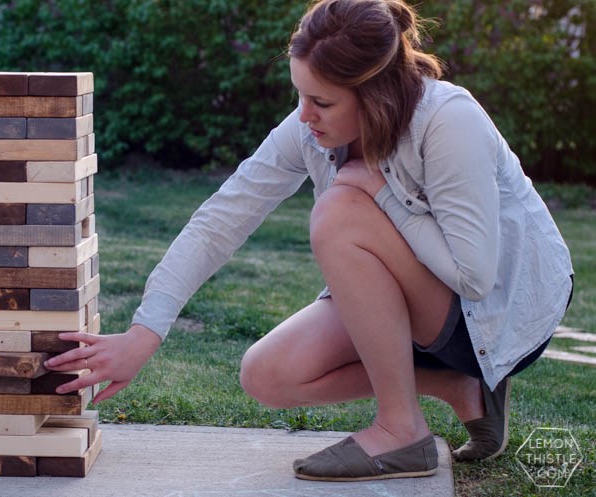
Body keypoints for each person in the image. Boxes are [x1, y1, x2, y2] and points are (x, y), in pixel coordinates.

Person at [44, 0, 574, 482]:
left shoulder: (447, 120)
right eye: (300, 94)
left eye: (321, 100)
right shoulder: (310, 130)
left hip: (502, 311)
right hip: (428, 301)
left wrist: (381, 196)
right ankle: (458, 387)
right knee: (268, 375)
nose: (304, 115)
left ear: (376, 93)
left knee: (340, 209)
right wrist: (144, 333)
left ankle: (401, 431)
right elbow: (221, 219)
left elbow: (476, 276)